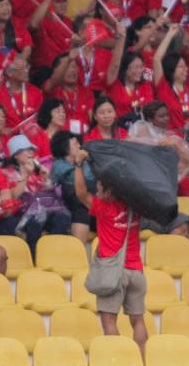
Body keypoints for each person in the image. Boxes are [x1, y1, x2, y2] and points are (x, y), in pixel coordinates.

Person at [72, 147, 147, 356]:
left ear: (108, 191)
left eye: (99, 187)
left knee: (108, 320)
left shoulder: (103, 208)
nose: (96, 189)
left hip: (114, 272)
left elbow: (80, 192)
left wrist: (78, 164)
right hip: (137, 271)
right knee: (138, 320)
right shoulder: (135, 206)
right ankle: (142, 360)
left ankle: (118, 360)